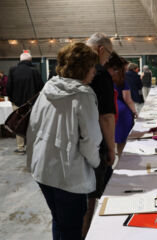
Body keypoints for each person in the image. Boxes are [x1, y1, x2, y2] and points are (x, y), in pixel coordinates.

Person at [26, 42, 101, 240]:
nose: (95, 71)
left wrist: (32, 161)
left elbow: (33, 127)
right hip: (68, 175)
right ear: (83, 68)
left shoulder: (48, 88)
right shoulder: (83, 95)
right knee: (72, 228)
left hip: (43, 169)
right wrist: (96, 163)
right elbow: (91, 140)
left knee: (59, 222)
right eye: (93, 66)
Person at [82, 33, 115, 239]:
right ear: (101, 49)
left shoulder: (62, 74)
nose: (108, 60)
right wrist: (112, 149)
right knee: (90, 199)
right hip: (92, 146)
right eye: (109, 54)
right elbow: (106, 117)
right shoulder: (100, 74)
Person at [6, 53, 44, 154]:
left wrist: (12, 99)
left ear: (20, 60)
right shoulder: (34, 71)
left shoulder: (12, 70)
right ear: (30, 60)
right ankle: (32, 147)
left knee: (18, 123)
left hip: (17, 102)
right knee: (32, 124)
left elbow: (8, 87)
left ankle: (21, 148)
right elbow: (41, 88)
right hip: (32, 104)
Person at [108, 54, 137, 158]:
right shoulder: (122, 81)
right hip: (122, 111)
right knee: (122, 141)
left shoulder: (106, 80)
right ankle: (121, 160)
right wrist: (135, 111)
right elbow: (127, 99)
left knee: (110, 139)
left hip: (109, 110)